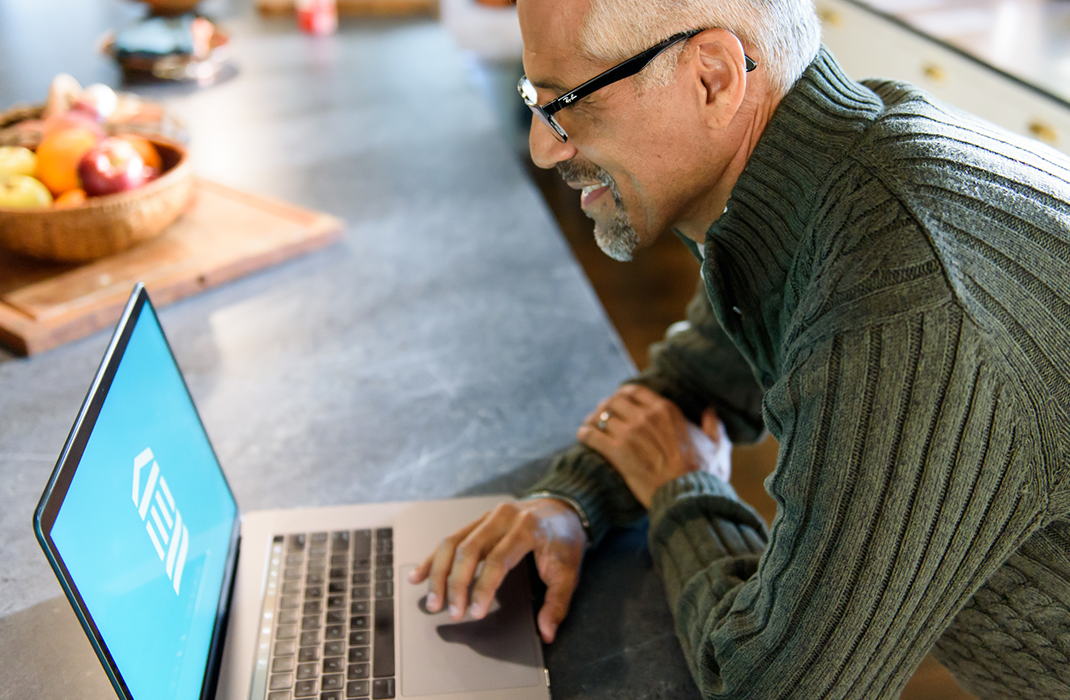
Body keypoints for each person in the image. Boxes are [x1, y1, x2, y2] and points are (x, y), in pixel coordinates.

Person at [410, 0, 1070, 697]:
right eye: (533, 99)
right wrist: (573, 501)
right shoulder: (823, 177)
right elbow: (699, 378)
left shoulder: (899, 287)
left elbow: (775, 689)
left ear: (715, 79)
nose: (546, 146)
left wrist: (683, 496)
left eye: (567, 103)